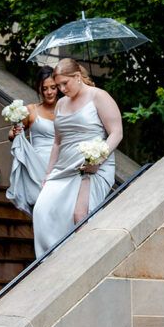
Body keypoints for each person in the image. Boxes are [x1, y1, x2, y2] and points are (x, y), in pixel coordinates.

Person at [32, 58, 123, 258]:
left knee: (79, 215)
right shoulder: (61, 104)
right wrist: (48, 173)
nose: (62, 89)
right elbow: (57, 142)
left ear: (78, 76)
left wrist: (97, 159)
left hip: (92, 168)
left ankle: (83, 261)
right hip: (63, 167)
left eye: (66, 83)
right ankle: (51, 261)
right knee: (41, 211)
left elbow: (116, 132)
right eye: (58, 85)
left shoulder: (99, 96)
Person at [5, 67, 60, 215]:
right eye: (45, 88)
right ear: (39, 89)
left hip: (62, 164)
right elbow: (13, 132)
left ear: (58, 88)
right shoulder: (30, 110)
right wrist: (14, 133)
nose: (49, 92)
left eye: (53, 87)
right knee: (43, 207)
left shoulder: (66, 109)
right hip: (38, 166)